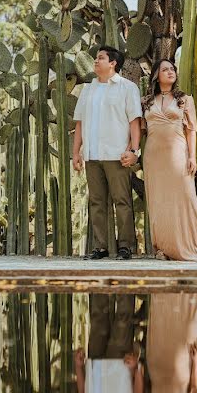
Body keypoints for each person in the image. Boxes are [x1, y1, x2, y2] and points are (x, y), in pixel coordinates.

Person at [142, 59, 197, 261]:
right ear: (156, 75)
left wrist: (192, 156)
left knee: (186, 197)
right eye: (165, 69)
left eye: (173, 69)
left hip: (177, 153)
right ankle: (163, 249)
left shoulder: (185, 99)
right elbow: (140, 129)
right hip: (153, 156)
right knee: (159, 201)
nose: (170, 72)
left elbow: (191, 130)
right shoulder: (146, 101)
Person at [72, 46, 143, 260]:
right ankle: (100, 247)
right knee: (96, 202)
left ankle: (125, 246)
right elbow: (80, 124)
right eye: (96, 58)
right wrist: (76, 153)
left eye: (100, 58)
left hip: (117, 156)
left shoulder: (127, 88)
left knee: (122, 201)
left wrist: (134, 150)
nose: (95, 61)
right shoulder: (87, 90)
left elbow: (135, 122)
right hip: (92, 155)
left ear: (113, 63)